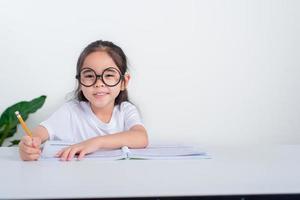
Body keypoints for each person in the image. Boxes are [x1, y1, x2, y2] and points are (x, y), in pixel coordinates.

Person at [19, 40, 148, 161]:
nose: (98, 83)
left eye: (109, 75)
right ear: (80, 82)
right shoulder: (71, 111)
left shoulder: (125, 110)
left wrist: (95, 143)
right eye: (89, 75)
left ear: (124, 82)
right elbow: (41, 132)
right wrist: (29, 145)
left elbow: (141, 138)